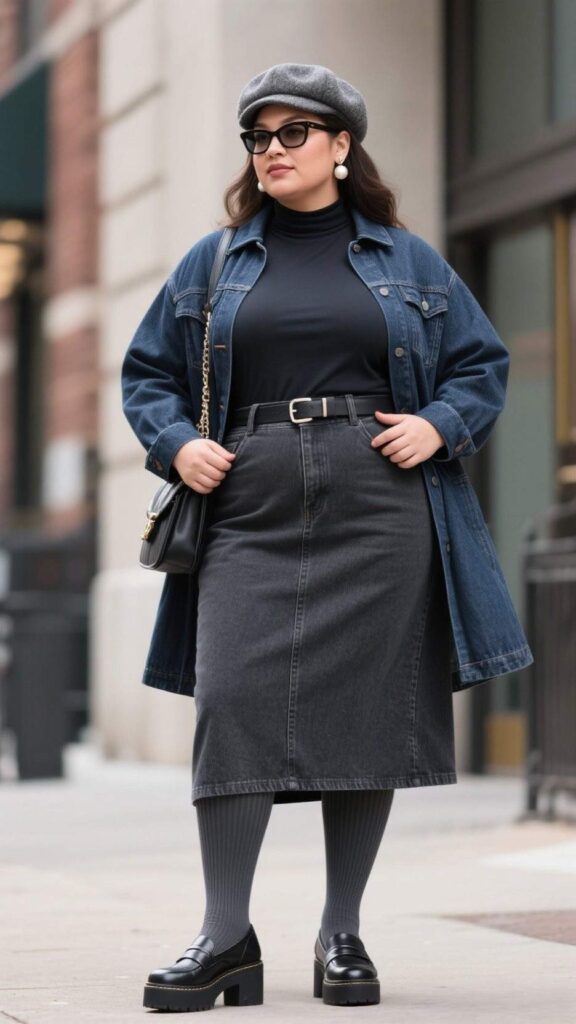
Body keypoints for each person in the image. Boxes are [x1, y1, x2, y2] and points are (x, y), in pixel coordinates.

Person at [121, 63, 533, 1012]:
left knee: (368, 713)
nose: (272, 150)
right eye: (258, 137)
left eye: (293, 133)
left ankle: (341, 932)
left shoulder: (409, 260)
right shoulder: (214, 262)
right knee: (230, 703)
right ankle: (225, 936)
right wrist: (178, 444)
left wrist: (440, 424)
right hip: (248, 503)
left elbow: (480, 363)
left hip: (379, 503)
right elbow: (149, 375)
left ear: (343, 146)